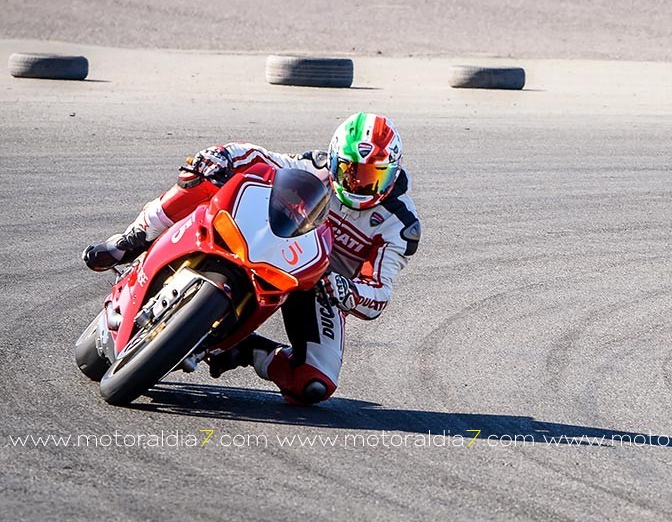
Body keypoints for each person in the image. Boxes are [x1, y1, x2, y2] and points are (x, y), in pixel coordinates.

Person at [82, 112, 420, 404]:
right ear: (333, 159)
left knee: (314, 384)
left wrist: (344, 290)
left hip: (318, 282)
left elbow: (378, 293)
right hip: (268, 236)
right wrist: (221, 156)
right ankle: (130, 240)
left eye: (373, 176)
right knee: (201, 178)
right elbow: (258, 157)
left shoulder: (400, 226)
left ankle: (245, 349)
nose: (359, 184)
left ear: (394, 172)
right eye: (350, 171)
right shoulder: (315, 167)